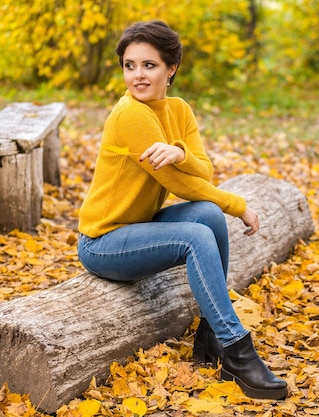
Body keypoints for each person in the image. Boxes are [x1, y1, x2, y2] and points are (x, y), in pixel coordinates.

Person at [77, 20, 288, 400]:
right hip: (103, 242)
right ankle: (237, 350)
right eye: (130, 65)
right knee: (195, 234)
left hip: (138, 228)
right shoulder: (130, 115)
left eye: (149, 65)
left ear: (170, 68)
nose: (137, 76)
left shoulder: (178, 110)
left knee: (206, 214)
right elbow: (178, 184)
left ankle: (209, 336)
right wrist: (238, 205)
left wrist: (179, 151)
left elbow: (203, 169)